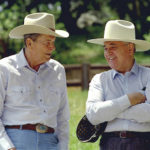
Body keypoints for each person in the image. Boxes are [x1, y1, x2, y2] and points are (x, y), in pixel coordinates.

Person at [0, 12, 70, 150]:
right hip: (16, 142)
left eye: (53, 42)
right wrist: (7, 147)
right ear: (29, 43)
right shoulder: (4, 69)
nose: (53, 47)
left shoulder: (58, 70)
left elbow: (63, 117)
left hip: (51, 143)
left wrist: (62, 147)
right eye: (47, 42)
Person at [86, 20, 150, 150]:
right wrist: (129, 100)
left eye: (113, 47)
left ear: (130, 48)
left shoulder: (149, 76)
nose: (108, 53)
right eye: (105, 48)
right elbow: (92, 115)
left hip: (144, 143)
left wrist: (109, 110)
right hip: (110, 144)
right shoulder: (99, 80)